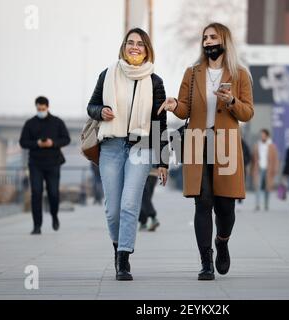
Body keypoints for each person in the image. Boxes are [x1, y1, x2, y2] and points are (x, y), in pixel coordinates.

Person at [158, 22, 254, 280]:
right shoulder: (192, 73)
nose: (208, 41)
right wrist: (174, 104)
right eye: (205, 38)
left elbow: (248, 112)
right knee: (203, 203)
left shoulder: (239, 74)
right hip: (197, 143)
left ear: (224, 40)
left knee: (226, 207)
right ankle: (206, 261)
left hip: (226, 145)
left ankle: (222, 242)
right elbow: (185, 109)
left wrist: (231, 101)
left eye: (213, 37)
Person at [87, 28, 168, 281]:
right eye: (130, 43)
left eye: (140, 44)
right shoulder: (108, 74)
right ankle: (117, 246)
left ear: (147, 50)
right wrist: (101, 112)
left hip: (140, 147)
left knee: (130, 204)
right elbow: (91, 106)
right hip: (111, 146)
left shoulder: (155, 82)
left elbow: (160, 124)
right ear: (124, 46)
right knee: (112, 209)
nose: (135, 47)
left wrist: (163, 162)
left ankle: (124, 259)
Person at [19, 96, 71, 235]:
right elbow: (23, 142)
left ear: (47, 107)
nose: (41, 111)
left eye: (43, 109)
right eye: (38, 109)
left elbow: (66, 139)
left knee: (53, 194)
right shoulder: (30, 123)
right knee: (36, 194)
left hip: (53, 163)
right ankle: (37, 226)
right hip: (35, 164)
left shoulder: (57, 122)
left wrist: (52, 143)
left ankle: (54, 216)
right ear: (36, 107)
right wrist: (37, 143)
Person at [251, 129, 279, 211]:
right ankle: (257, 205)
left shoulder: (272, 146)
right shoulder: (257, 145)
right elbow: (253, 158)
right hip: (259, 168)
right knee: (258, 187)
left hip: (268, 169)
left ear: (267, 135)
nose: (262, 136)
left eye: (263, 135)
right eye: (261, 135)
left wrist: (275, 169)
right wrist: (252, 169)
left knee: (267, 188)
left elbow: (275, 159)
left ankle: (266, 204)